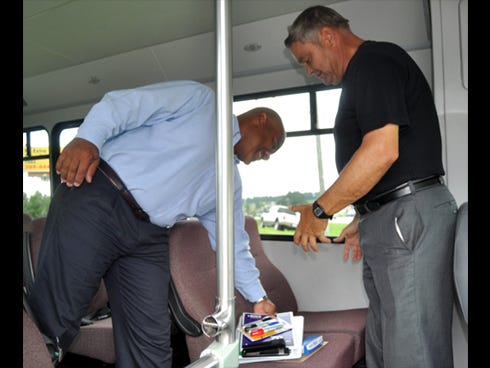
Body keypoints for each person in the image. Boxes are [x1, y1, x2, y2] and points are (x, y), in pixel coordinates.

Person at [28, 79, 285, 368]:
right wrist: (87, 139)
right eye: (270, 145)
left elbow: (232, 243)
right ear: (260, 119)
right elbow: (125, 105)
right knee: (55, 320)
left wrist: (259, 297)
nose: (266, 156)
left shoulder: (230, 183)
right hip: (100, 197)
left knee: (151, 342)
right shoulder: (201, 101)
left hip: (148, 234)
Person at [284, 6, 457, 368]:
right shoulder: (360, 79)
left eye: (307, 58)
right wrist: (366, 214)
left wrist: (320, 211)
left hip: (406, 216)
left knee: (412, 349)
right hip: (392, 216)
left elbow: (381, 151)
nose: (309, 70)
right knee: (386, 343)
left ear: (328, 37)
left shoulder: (374, 61)